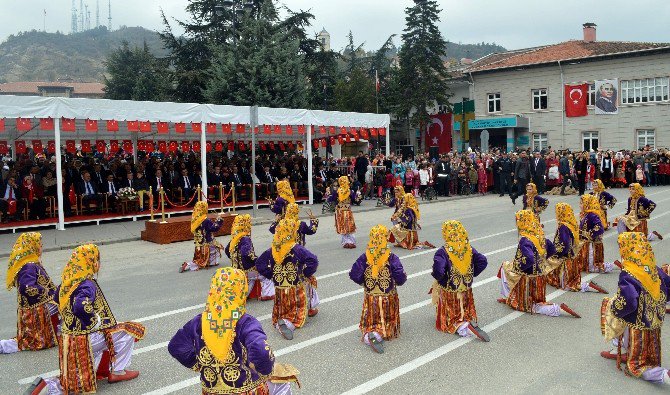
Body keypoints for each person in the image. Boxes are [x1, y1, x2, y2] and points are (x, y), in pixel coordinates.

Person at [29, 244, 145, 394]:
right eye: (97, 260)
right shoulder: (87, 284)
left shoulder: (67, 281)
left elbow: (57, 299)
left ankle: (49, 387)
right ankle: (118, 372)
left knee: (75, 379)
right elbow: (80, 306)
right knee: (129, 330)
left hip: (68, 338)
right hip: (84, 339)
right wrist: (93, 320)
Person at [168, 267, 297, 394]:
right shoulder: (245, 322)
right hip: (245, 390)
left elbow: (175, 346)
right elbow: (261, 352)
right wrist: (265, 371)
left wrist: (198, 363)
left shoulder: (199, 321)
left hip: (211, 391)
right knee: (282, 381)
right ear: (240, 290)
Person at [599, 232, 670, 386]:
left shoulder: (629, 272)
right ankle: (626, 349)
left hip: (637, 325)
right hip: (654, 321)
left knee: (637, 366)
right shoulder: (653, 268)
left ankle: (663, 374)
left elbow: (629, 302)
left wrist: (615, 308)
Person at [498, 210, 581, 318]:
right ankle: (512, 297)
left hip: (529, 279)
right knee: (507, 266)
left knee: (505, 267)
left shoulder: (525, 239)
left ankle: (554, 308)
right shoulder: (539, 236)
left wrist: (517, 267)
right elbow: (552, 249)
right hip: (540, 278)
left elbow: (529, 259)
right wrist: (541, 261)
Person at [256, 218, 319, 340]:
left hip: (279, 288)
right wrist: (305, 273)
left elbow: (259, 264)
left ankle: (282, 319)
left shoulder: (273, 249)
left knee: (282, 307)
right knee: (296, 311)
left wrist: (271, 275)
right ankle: (286, 324)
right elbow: (313, 260)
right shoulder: (296, 248)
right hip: (294, 287)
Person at [349, 225, 407, 353]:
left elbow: (354, 274)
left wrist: (363, 282)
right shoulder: (391, 257)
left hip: (371, 296)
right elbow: (399, 276)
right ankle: (377, 334)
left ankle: (371, 331)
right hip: (387, 296)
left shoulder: (365, 256)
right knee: (386, 318)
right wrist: (401, 280)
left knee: (372, 317)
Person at [431, 221, 490, 341]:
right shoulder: (468, 248)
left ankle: (462, 326)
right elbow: (482, 261)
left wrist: (441, 280)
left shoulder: (443, 251)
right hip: (466, 288)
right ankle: (467, 318)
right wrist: (472, 274)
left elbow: (439, 269)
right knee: (465, 308)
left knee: (451, 317)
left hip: (450, 291)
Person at [0, 232, 58, 354]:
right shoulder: (29, 266)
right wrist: (48, 292)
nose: (41, 247)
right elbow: (26, 288)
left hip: (35, 307)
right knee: (63, 304)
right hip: (35, 310)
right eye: (40, 245)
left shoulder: (30, 263)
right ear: (33, 247)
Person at [546, 203, 607, 293]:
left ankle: (588, 286)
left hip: (565, 262)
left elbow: (564, 246)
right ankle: (586, 285)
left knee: (567, 285)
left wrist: (554, 255)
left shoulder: (563, 227)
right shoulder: (571, 224)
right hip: (571, 260)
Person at [225, 214, 275, 302]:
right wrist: (258, 260)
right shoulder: (245, 239)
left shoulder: (234, 239)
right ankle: (268, 294)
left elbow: (226, 250)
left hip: (236, 270)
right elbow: (247, 253)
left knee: (251, 278)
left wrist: (235, 259)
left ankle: (244, 294)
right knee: (267, 273)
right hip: (246, 270)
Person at [180, 201, 225, 273]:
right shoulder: (206, 220)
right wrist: (219, 220)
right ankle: (189, 265)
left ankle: (191, 264)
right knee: (215, 249)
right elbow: (214, 228)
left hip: (198, 245)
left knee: (200, 258)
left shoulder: (195, 220)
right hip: (207, 243)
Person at [577, 194, 615, 273]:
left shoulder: (592, 215)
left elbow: (599, 228)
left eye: (581, 203)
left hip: (592, 244)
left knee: (592, 267)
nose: (579, 205)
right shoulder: (584, 214)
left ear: (587, 204)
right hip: (586, 242)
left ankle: (604, 266)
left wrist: (588, 234)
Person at [328, 175, 357, 248]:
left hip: (340, 211)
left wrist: (328, 195)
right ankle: (351, 241)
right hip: (347, 211)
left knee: (342, 226)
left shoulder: (337, 191)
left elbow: (331, 199)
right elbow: (354, 200)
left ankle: (345, 242)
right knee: (349, 226)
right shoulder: (350, 191)